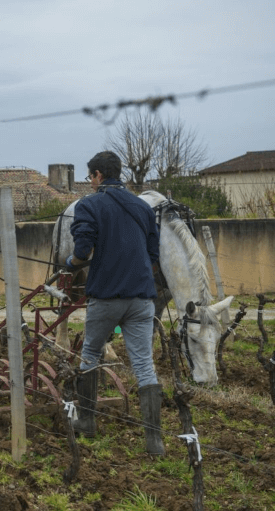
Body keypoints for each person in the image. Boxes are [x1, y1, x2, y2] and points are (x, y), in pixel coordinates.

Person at [65, 151, 165, 456]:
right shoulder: (142, 206)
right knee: (144, 365)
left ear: (97, 176)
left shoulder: (89, 204)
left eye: (90, 177)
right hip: (141, 298)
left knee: (91, 353)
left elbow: (82, 250)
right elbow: (154, 257)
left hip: (106, 296)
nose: (90, 182)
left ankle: (87, 421)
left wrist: (71, 263)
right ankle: (154, 441)